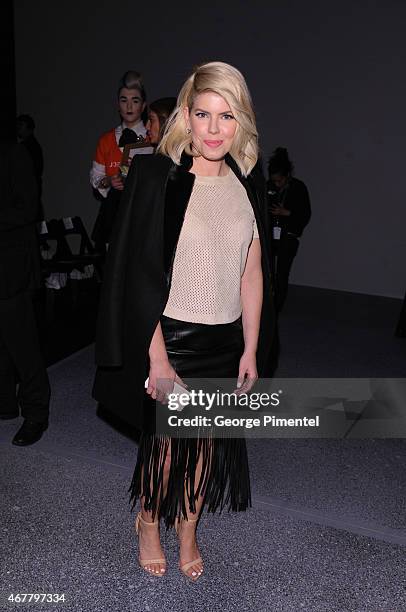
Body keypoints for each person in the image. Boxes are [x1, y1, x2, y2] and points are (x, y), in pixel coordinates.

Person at [93, 62, 275, 581]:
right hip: (170, 335)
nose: (214, 128)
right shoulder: (157, 177)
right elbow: (135, 274)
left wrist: (251, 348)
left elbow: (253, 273)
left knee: (206, 452)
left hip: (225, 339)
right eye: (203, 114)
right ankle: (149, 520)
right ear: (185, 117)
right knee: (168, 452)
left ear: (242, 122)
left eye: (227, 115)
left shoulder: (248, 184)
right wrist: (156, 355)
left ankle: (188, 528)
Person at [0, 137, 50, 445]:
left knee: (22, 343)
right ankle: (5, 403)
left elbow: (29, 208)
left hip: (11, 264)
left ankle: (36, 414)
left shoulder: (13, 150)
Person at [90, 70, 154, 250]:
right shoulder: (106, 140)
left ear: (143, 106)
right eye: (123, 100)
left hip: (145, 217)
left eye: (135, 101)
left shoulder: (153, 139)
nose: (129, 106)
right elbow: (96, 179)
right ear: (118, 105)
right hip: (114, 215)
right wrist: (110, 181)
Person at [267, 147, 311, 312]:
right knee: (267, 273)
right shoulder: (268, 186)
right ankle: (266, 305)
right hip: (270, 237)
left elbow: (305, 214)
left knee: (282, 275)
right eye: (274, 181)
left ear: (287, 176)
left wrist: (287, 213)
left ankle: (277, 308)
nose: (276, 184)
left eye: (279, 181)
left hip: (289, 237)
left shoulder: (298, 188)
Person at [16, 114, 44, 220]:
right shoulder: (32, 146)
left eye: (21, 124)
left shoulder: (24, 148)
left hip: (26, 194)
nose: (18, 127)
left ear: (29, 128)